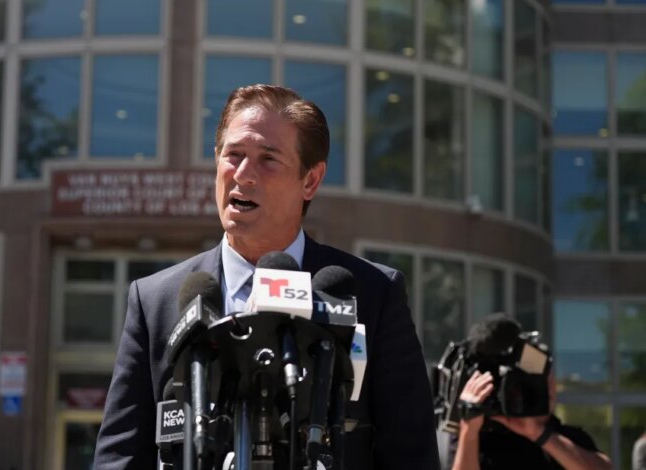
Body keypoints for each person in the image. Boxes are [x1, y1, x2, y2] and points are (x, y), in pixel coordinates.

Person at [93, 84, 439, 469]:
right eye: (233, 155)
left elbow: (412, 455)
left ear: (310, 180)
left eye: (267, 159)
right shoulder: (156, 300)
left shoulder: (372, 294)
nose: (243, 174)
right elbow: (119, 458)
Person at [448, 314, 611, 470]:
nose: (550, 389)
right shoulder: (473, 440)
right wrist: (469, 430)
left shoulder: (561, 438)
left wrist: (540, 434)